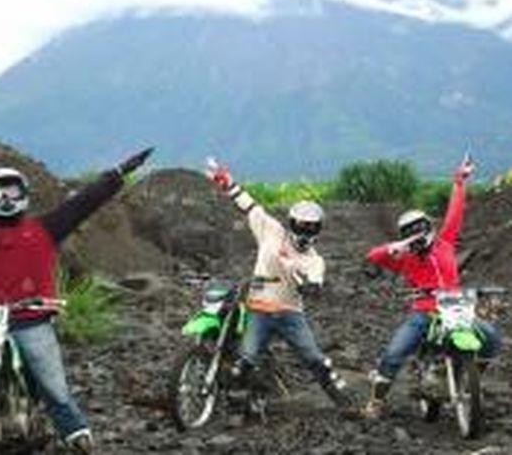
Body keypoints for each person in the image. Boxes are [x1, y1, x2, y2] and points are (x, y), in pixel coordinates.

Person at [0, 148, 153, 453]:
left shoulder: (44, 229)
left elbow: (84, 202)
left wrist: (118, 173)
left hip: (31, 322)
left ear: (24, 195)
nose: (5, 198)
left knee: (54, 390)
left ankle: (79, 439)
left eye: (11, 191)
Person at [361, 155, 502, 419]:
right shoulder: (404, 259)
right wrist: (394, 248)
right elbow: (372, 256)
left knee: (491, 338)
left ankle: (467, 377)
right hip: (423, 310)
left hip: (455, 306)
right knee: (393, 354)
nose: (416, 234)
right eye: (409, 232)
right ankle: (376, 403)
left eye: (419, 229)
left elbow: (455, 211)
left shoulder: (445, 241)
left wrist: (459, 181)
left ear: (428, 228)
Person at [204, 158, 351, 409]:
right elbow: (249, 206)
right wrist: (227, 183)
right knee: (245, 360)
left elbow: (316, 283)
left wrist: (311, 287)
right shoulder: (271, 230)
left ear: (318, 231)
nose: (304, 233)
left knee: (315, 359)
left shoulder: (315, 261)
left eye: (311, 228)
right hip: (259, 308)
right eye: (301, 227)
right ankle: (247, 397)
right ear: (291, 223)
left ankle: (344, 401)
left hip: (290, 313)